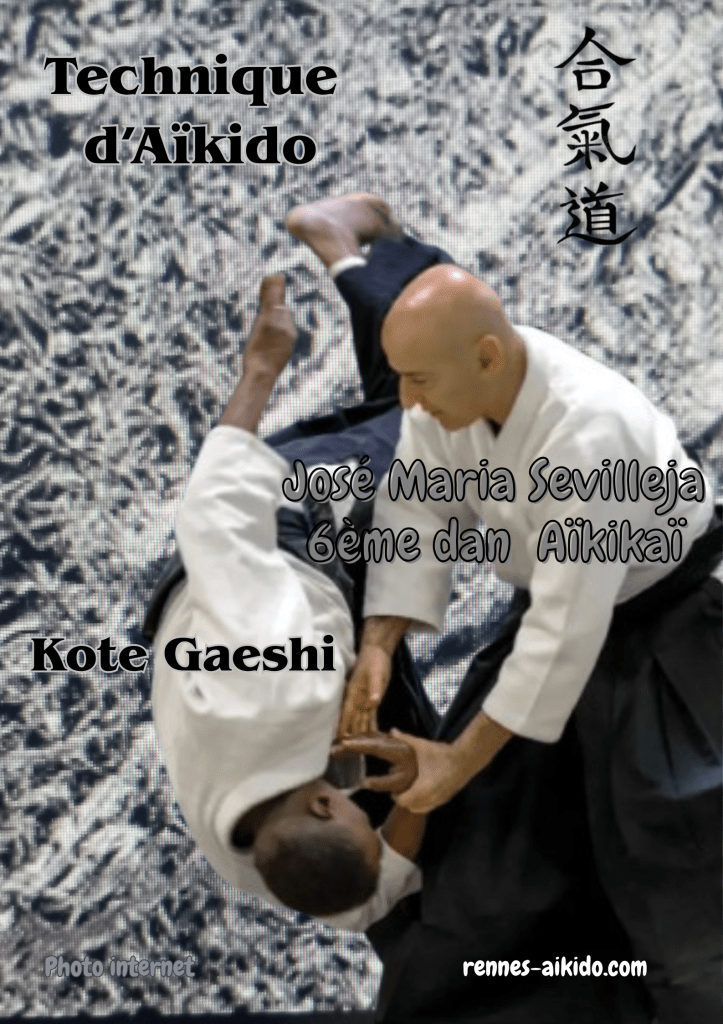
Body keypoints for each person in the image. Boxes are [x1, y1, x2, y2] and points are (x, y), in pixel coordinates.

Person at [146, 196, 654, 1023]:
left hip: (276, 541)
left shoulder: (269, 677)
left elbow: (212, 514)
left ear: (322, 799)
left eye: (357, 816)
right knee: (424, 776)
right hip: (294, 652)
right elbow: (370, 893)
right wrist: (421, 791)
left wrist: (262, 365)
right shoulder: (264, 858)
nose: (370, 820)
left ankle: (345, 245)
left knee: (424, 410)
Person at [328, 199, 722, 1023]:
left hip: (663, 641)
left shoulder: (588, 434)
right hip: (548, 626)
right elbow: (416, 507)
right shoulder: (455, 390)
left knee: (675, 878)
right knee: (485, 846)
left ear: (485, 356)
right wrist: (379, 644)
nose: (407, 401)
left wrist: (453, 761)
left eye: (418, 380)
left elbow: (559, 638)